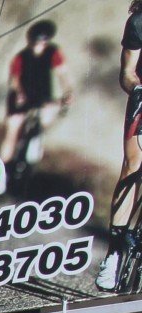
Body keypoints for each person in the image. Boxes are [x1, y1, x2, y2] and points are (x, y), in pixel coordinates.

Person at [99, 0, 142, 292]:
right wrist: (137, 88)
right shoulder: (139, 22)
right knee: (133, 163)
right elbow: (127, 73)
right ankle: (114, 251)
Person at [1, 20, 72, 182]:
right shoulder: (21, 57)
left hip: (43, 96)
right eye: (36, 43)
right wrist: (19, 93)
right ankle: (2, 172)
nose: (38, 46)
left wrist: (68, 92)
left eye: (42, 43)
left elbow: (63, 74)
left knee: (46, 120)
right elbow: (14, 80)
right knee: (12, 131)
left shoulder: (53, 53)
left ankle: (35, 148)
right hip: (22, 96)